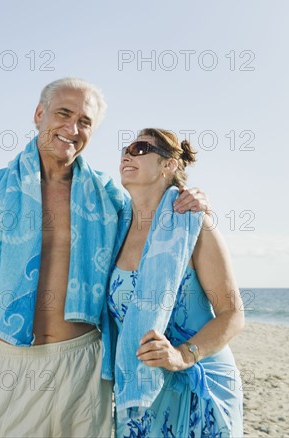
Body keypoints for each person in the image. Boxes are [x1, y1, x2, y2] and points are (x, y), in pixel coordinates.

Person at [0, 78, 209, 438]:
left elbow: (155, 219)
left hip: (83, 370)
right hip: (1, 367)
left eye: (85, 122)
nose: (72, 128)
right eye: (63, 114)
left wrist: (189, 198)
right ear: (39, 114)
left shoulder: (110, 198)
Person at [102, 128, 244, 437]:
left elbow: (233, 314)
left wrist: (182, 355)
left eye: (140, 148)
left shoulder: (194, 225)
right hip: (141, 390)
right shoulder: (115, 228)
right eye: (125, 149)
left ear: (168, 165)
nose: (127, 154)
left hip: (200, 383)